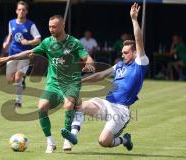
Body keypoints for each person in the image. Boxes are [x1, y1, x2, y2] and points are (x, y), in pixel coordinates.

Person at [0, 15, 95, 153]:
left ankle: (67, 138)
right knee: (42, 106)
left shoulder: (73, 43)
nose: (51, 29)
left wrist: (89, 64)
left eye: (54, 26)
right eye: (49, 26)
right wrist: (9, 57)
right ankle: (50, 141)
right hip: (53, 84)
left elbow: (87, 57)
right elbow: (30, 52)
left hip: (71, 83)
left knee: (68, 105)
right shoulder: (47, 42)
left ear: (62, 25)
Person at [61, 3, 149, 152]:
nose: (122, 55)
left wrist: (134, 19)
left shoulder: (140, 63)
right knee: (80, 106)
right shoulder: (120, 65)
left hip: (121, 111)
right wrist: (81, 80)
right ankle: (73, 135)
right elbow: (101, 75)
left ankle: (124, 139)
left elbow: (138, 40)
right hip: (107, 103)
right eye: (122, 52)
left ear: (135, 53)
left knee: (103, 141)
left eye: (126, 52)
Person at [3, 1, 41, 107]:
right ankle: (22, 80)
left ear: (26, 12)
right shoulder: (11, 23)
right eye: (19, 9)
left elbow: (38, 39)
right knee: (10, 80)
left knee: (17, 77)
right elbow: (10, 35)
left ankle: (18, 101)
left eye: (23, 10)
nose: (21, 11)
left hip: (25, 55)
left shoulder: (30, 25)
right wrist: (6, 42)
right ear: (16, 11)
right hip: (13, 54)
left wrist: (28, 42)